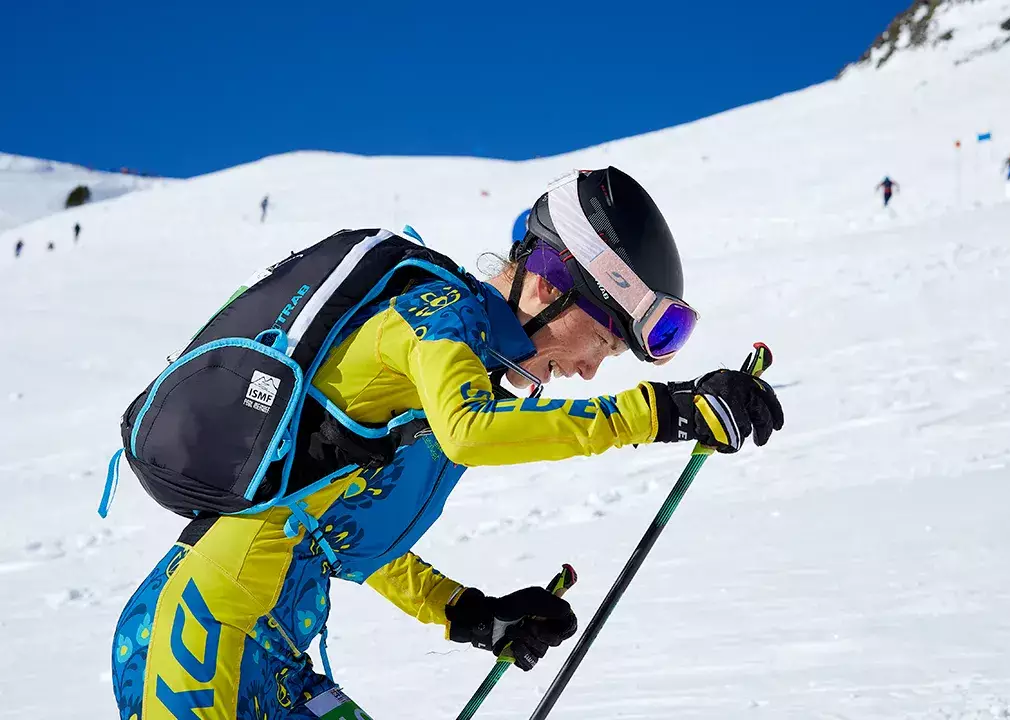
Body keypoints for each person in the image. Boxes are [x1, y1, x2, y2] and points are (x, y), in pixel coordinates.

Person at [109, 167, 785, 719]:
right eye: (603, 341)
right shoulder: (435, 318)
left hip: (272, 653)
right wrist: (662, 413)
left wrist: (471, 614)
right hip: (201, 633)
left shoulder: (459, 369)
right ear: (549, 285)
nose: (589, 370)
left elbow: (339, 539)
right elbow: (473, 436)